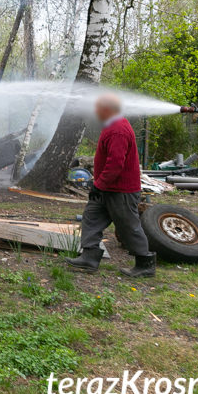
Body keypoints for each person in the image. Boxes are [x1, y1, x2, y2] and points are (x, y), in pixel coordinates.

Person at [66, 93, 155, 278]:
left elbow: (116, 164)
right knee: (91, 217)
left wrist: (99, 184)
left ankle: (145, 263)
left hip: (121, 190)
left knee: (128, 226)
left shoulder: (118, 130)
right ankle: (89, 257)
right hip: (106, 188)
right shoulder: (111, 126)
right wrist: (99, 184)